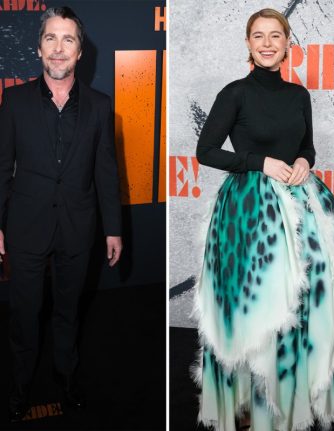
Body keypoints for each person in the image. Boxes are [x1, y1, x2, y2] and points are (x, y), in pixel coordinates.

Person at [192, 7, 334, 431]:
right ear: (248, 43)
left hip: (301, 198)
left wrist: (303, 161)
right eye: (258, 36)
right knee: (261, 301)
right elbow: (206, 151)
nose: (267, 43)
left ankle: (296, 389)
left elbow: (307, 147)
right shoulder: (235, 93)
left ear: (287, 43)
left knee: (313, 288)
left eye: (275, 36)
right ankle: (249, 398)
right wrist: (259, 162)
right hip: (249, 208)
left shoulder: (299, 95)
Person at [0, 6, 122, 422]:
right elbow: (2, 167)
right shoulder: (14, 101)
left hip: (77, 227)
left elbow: (106, 171)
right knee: (24, 315)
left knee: (68, 312)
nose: (58, 47)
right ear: (38, 48)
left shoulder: (100, 106)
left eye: (67, 39)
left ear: (80, 51)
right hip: (25, 226)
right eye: (50, 38)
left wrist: (113, 229)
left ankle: (66, 379)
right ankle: (20, 385)